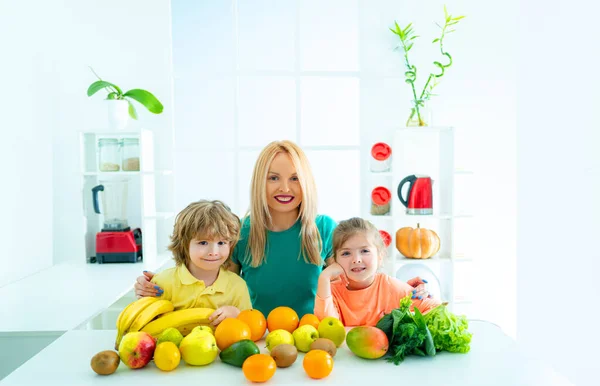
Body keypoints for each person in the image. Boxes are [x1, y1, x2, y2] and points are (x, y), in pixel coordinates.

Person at [135, 140, 337, 319]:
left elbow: (352, 284)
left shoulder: (325, 229)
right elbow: (211, 281)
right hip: (253, 337)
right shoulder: (242, 232)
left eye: (295, 178)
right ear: (260, 182)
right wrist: (158, 284)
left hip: (314, 335)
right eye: (273, 178)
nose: (285, 188)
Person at [315, 217, 440, 327]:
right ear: (336, 260)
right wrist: (324, 278)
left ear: (380, 256)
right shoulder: (332, 291)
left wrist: (401, 324)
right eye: (346, 253)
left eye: (364, 251)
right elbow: (327, 327)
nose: (356, 260)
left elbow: (435, 308)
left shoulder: (391, 287)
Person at [149, 199, 252, 326]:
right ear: (184, 244)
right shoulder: (163, 283)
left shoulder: (238, 286)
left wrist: (236, 314)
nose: (213, 252)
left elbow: (250, 326)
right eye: (203, 243)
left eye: (221, 243)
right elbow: (146, 325)